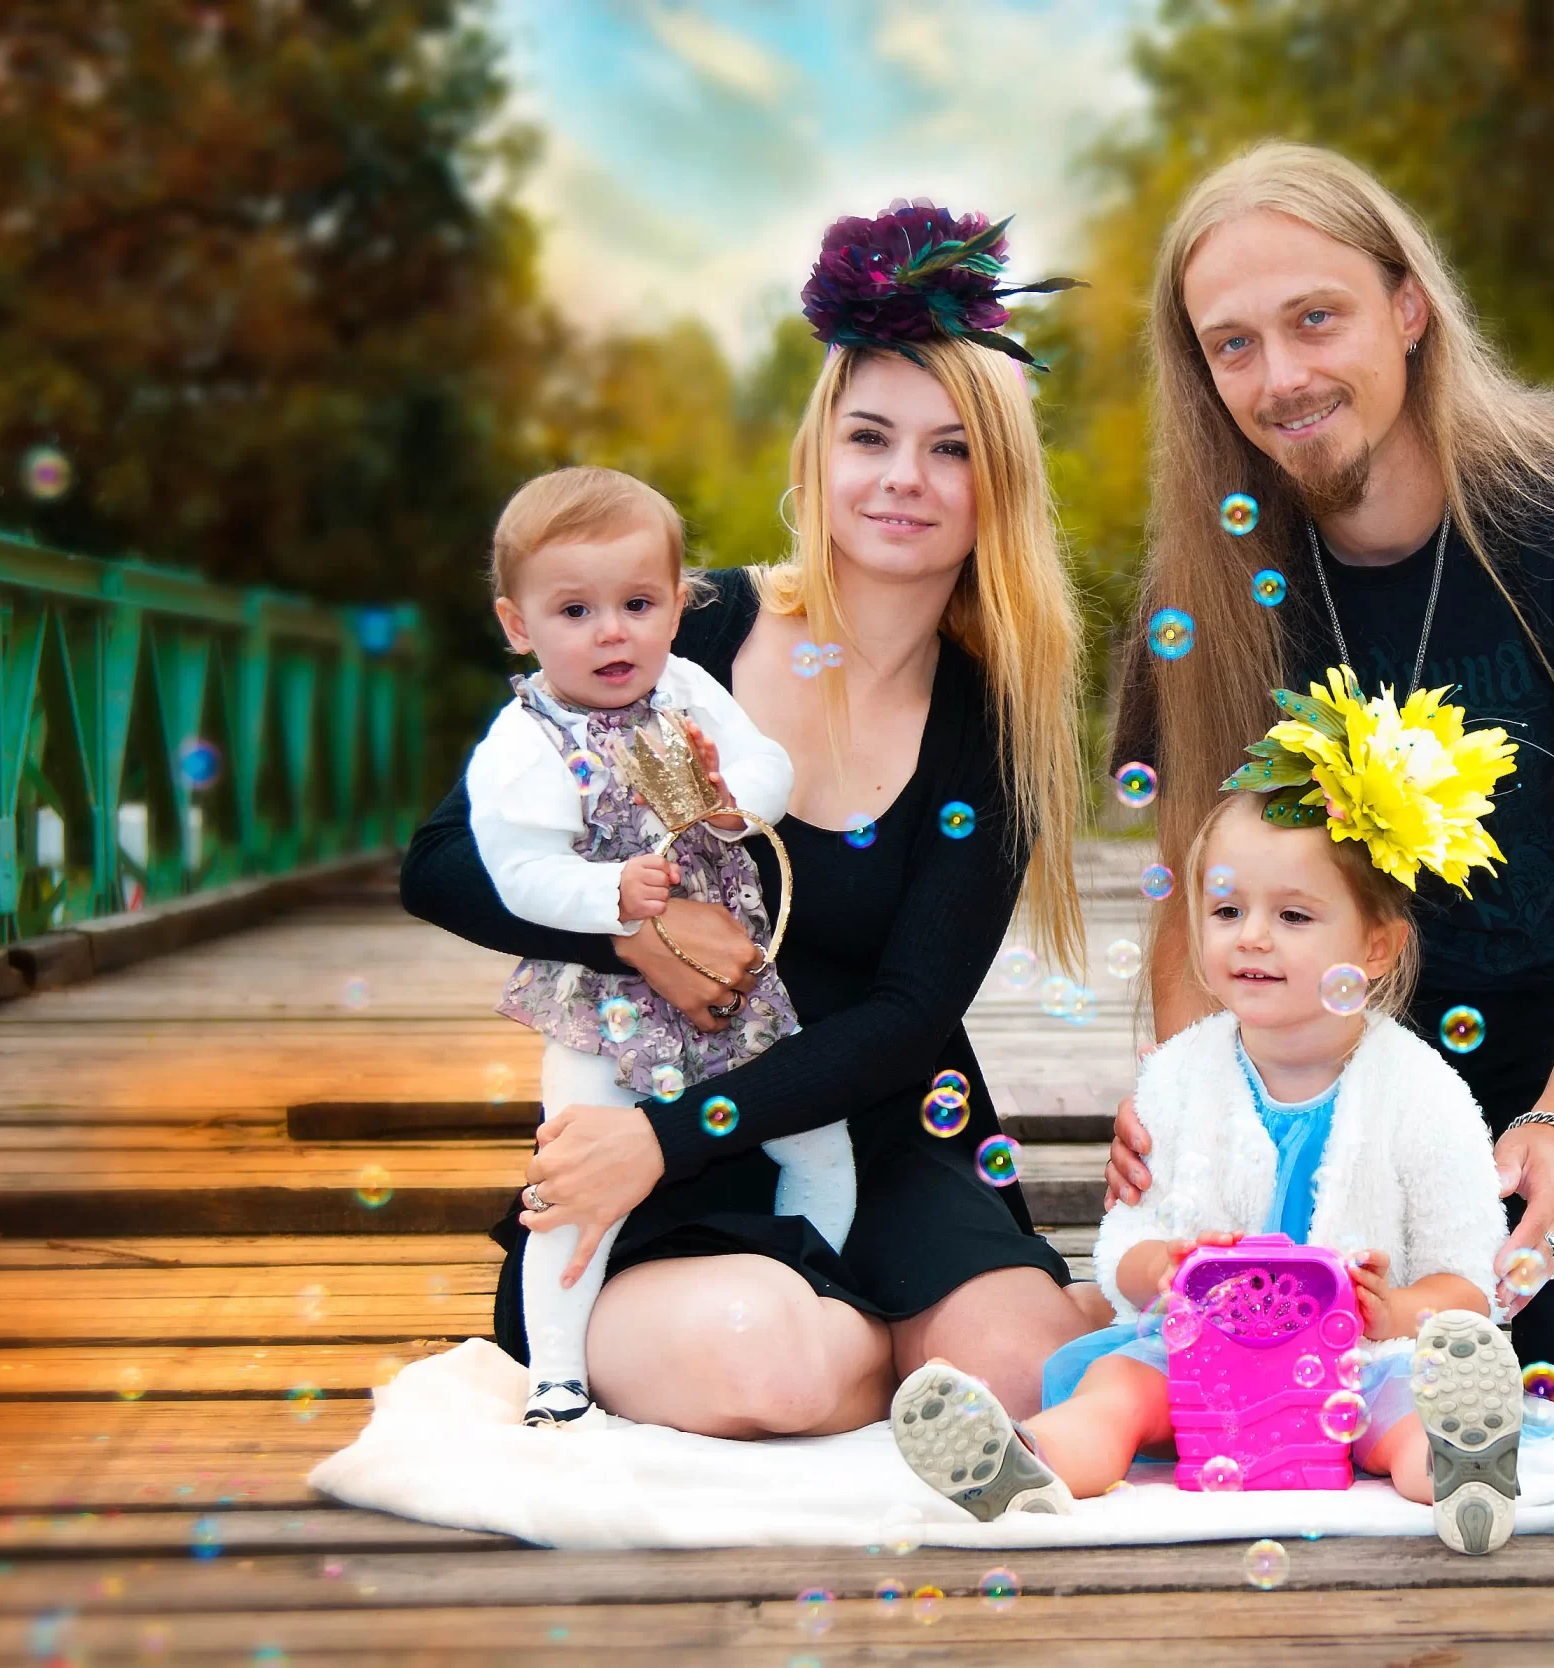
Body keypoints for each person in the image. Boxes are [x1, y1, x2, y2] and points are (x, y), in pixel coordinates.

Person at [400, 201, 1096, 1433]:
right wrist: (633, 935)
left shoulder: (995, 722)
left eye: (950, 450)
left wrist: (677, 1134)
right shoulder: (686, 631)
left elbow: (909, 1012)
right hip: (651, 1117)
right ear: (819, 452)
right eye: (869, 436)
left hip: (870, 1118)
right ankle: (851, 1347)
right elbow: (444, 860)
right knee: (766, 1362)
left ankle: (894, 1335)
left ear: (998, 484)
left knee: (1014, 1373)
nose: (902, 479)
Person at [1106, 142, 1554, 1414]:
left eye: (1314, 319)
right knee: (1257, 1331)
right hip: (1333, 1038)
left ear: (1407, 306)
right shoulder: (1210, 585)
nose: (1281, 378)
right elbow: (1193, 891)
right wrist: (1196, 1100)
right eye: (1233, 346)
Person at [888, 673, 1526, 1553]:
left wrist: (1398, 1310)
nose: (1251, 935)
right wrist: (1162, 1267)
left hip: (1358, 1358)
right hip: (1200, 1358)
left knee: (1402, 1415)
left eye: (1293, 915)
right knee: (1117, 1390)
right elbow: (1124, 1241)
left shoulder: (1422, 1092)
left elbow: (1471, 1277)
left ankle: (1462, 1468)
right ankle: (1024, 1464)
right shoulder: (1180, 1077)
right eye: (1227, 910)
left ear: (1376, 946)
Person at [465, 463, 863, 1426]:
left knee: (820, 1145)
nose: (612, 632)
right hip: (599, 1009)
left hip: (728, 985)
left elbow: (767, 765)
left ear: (678, 608)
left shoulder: (687, 689)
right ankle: (558, 1369)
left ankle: (811, 1285)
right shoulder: (525, 740)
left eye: (638, 604)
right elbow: (515, 870)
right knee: (575, 1181)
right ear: (518, 625)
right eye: (575, 611)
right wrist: (609, 896)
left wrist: (735, 804)